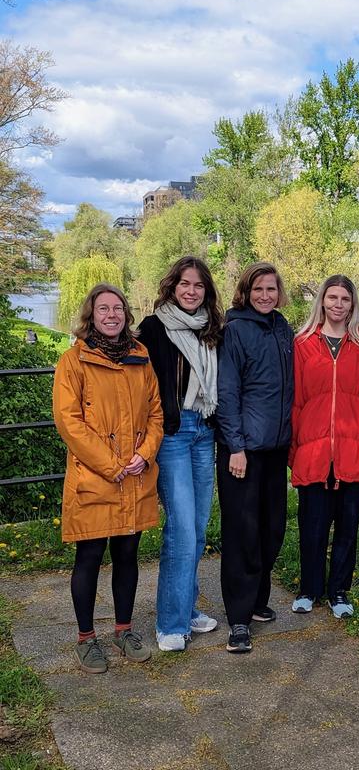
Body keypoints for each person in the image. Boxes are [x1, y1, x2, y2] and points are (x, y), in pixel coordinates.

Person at [53, 284, 163, 673]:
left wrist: (144, 454)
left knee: (128, 555)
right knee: (89, 557)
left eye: (118, 308)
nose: (112, 314)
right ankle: (86, 639)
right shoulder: (74, 361)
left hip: (134, 476)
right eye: (104, 309)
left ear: (126, 315)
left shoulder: (141, 357)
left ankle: (123, 629)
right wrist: (113, 465)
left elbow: (155, 414)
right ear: (91, 315)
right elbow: (69, 423)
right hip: (96, 479)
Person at [290, 275, 359, 619]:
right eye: (332, 297)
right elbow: (297, 402)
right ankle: (309, 589)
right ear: (321, 301)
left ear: (353, 304)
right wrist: (294, 448)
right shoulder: (303, 344)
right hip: (315, 452)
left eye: (344, 299)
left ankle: (339, 591)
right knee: (313, 525)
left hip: (354, 452)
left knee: (348, 526)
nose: (337, 304)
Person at [138, 257, 223, 652]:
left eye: (199, 286)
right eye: (185, 284)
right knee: (182, 529)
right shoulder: (154, 329)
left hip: (205, 433)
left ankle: (187, 609)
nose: (191, 291)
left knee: (199, 527)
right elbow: (136, 379)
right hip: (173, 434)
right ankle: (170, 623)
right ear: (172, 287)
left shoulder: (211, 330)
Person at [215, 262, 294, 653]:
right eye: (258, 289)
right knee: (242, 534)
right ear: (246, 292)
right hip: (242, 452)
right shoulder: (235, 330)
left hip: (275, 448)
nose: (266, 295)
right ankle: (239, 620)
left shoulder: (282, 328)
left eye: (271, 289)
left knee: (272, 528)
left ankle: (258, 599)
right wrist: (236, 446)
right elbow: (227, 391)